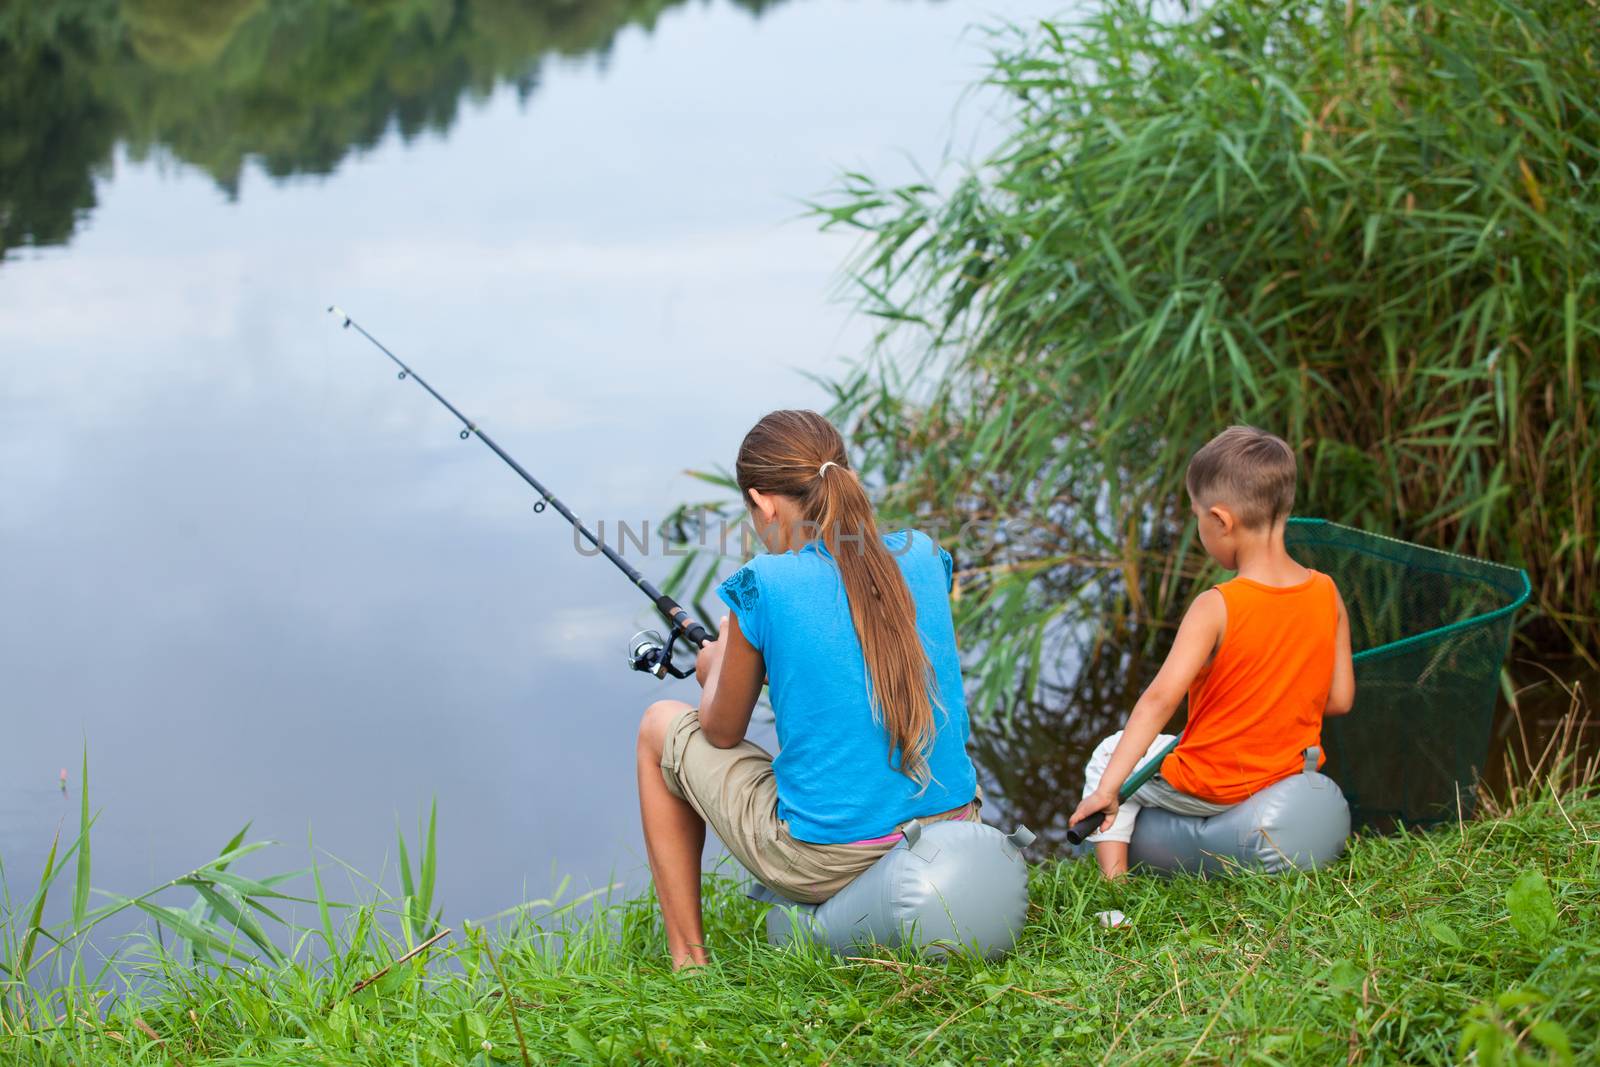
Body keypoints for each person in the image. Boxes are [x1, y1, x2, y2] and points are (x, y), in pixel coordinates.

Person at [635, 409, 979, 968]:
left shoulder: (764, 585)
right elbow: (856, 641)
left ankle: (688, 962)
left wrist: (714, 669)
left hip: (832, 859)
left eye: (752, 513)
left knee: (658, 727)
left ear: (763, 502)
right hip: (958, 826)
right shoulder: (922, 553)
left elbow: (720, 732)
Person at [1067, 425, 1355, 880]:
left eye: (1197, 516)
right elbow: (1339, 700)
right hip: (1289, 771)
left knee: (1108, 752)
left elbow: (1160, 699)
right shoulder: (1326, 590)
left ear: (1221, 521)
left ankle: (1113, 885)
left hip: (1218, 784)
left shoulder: (1217, 605)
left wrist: (1108, 789)